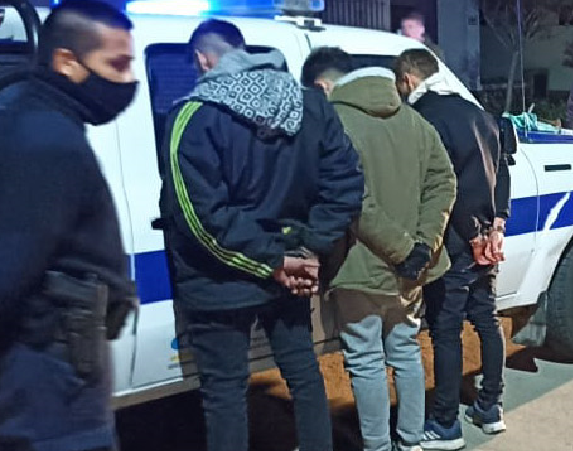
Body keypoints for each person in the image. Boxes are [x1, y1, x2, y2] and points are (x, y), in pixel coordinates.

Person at [159, 19, 364, 451]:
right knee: (303, 373)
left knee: (226, 393)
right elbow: (346, 184)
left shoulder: (193, 115)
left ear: (202, 59)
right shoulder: (310, 105)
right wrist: (308, 249)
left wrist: (275, 261)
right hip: (293, 267)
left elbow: (197, 215)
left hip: (220, 281)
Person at [301, 47, 456, 451]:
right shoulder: (414, 120)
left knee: (366, 360)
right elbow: (443, 183)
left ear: (324, 86)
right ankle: (411, 440)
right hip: (412, 271)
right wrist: (421, 246)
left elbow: (350, 199)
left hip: (360, 266)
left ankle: (378, 445)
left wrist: (403, 249)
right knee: (405, 351)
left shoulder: (335, 123)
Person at [0, 1, 138, 450]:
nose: (129, 80)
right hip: (50, 404)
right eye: (117, 65)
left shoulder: (28, 114)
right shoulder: (45, 140)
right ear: (66, 62)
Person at [394, 49, 511, 451]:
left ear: (408, 79)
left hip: (455, 241)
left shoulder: (425, 116)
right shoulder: (479, 113)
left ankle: (445, 424)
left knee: (446, 331)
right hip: (487, 239)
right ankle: (490, 406)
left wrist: (471, 234)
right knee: (486, 319)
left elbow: (444, 185)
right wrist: (496, 226)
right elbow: (502, 171)